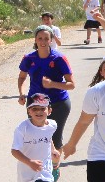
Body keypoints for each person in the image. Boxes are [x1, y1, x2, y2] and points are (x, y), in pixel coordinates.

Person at [17, 26, 75, 165]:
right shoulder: (28, 58)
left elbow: (71, 84)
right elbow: (22, 77)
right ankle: (40, 165)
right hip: (34, 103)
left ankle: (54, 166)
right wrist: (21, 93)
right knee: (35, 135)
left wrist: (52, 84)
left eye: (46, 38)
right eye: (40, 38)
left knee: (55, 136)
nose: (43, 41)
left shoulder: (59, 58)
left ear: (51, 40)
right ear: (35, 40)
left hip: (58, 103)